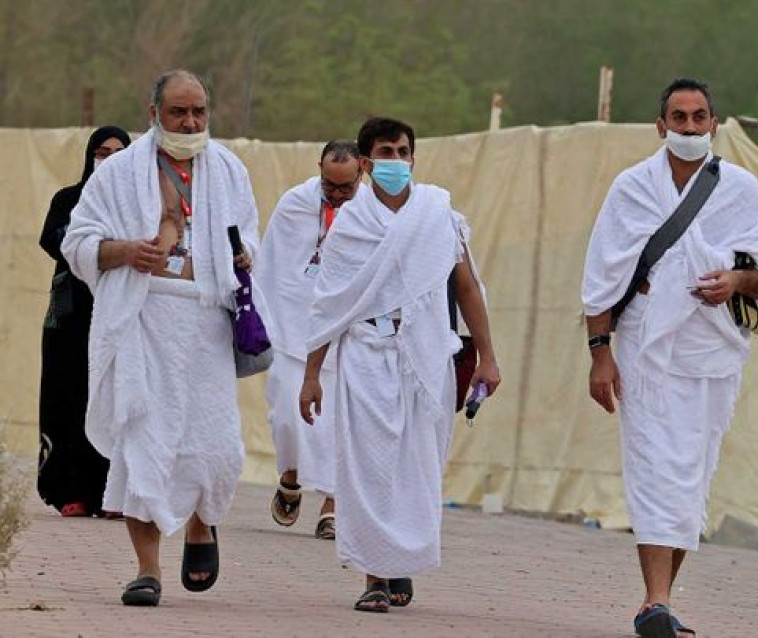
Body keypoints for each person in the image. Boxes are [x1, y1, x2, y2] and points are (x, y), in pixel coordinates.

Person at [581, 78, 758, 638]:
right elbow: (601, 278)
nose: (691, 128)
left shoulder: (741, 189)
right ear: (661, 126)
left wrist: (736, 280)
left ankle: (662, 602)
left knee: (690, 478)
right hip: (646, 350)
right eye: (680, 118)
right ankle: (653, 601)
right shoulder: (632, 188)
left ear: (714, 124)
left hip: (711, 353)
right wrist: (600, 355)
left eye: (700, 118)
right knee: (654, 468)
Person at [61, 69, 260, 607]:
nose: (190, 121)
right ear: (154, 114)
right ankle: (147, 570)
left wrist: (244, 258)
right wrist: (126, 252)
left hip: (206, 324)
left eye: (198, 111)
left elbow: (252, 240)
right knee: (142, 446)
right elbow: (77, 243)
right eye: (179, 112)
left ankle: (201, 524)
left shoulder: (229, 170)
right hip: (143, 322)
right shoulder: (119, 173)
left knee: (215, 448)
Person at [299, 117, 501, 613]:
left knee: (416, 465)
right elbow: (331, 303)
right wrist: (310, 375)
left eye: (403, 151)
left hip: (426, 355)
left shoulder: (437, 213)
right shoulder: (349, 225)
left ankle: (399, 557)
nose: (396, 160)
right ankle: (373, 575)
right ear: (366, 164)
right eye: (385, 152)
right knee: (369, 466)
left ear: (414, 157)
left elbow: (468, 286)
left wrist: (487, 357)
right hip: (367, 354)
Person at [256, 139, 363, 540]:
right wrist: (263, 322)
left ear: (362, 173)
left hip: (342, 333)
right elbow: (271, 262)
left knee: (339, 419)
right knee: (286, 413)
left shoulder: (371, 213)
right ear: (318, 169)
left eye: (344, 188)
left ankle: (334, 502)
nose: (335, 194)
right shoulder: (295, 203)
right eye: (329, 185)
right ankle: (290, 473)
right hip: (291, 325)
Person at [38, 126, 131, 518]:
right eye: (102, 151)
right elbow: (53, 238)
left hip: (119, 313)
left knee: (114, 399)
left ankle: (113, 494)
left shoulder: (138, 202)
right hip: (72, 316)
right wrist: (100, 246)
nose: (108, 159)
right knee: (68, 397)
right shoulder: (70, 199)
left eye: (117, 152)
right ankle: (69, 489)